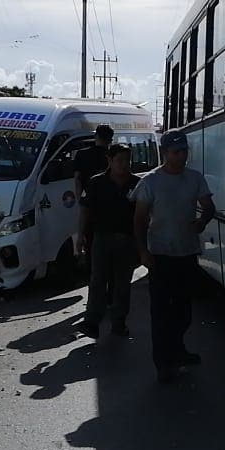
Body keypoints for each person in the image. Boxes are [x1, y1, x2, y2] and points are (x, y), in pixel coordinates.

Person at [131, 130, 216, 382]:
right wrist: (143, 251)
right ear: (165, 153)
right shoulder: (150, 182)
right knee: (161, 313)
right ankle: (163, 364)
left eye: (184, 151)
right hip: (160, 256)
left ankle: (178, 350)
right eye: (176, 152)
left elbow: (209, 206)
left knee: (184, 311)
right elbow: (139, 220)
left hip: (187, 253)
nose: (181, 156)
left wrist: (202, 220)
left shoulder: (195, 178)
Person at [76, 144, 141, 339]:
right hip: (102, 239)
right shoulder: (96, 182)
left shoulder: (137, 184)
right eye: (119, 160)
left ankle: (118, 323)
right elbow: (85, 210)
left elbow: (145, 214)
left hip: (128, 240)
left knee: (122, 284)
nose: (123, 164)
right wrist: (80, 236)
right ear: (109, 161)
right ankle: (92, 323)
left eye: (127, 160)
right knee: (97, 281)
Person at [72, 124, 114, 258]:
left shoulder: (82, 154)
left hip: (89, 201)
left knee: (90, 242)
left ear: (96, 136)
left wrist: (80, 199)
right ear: (111, 139)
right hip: (110, 203)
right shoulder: (114, 156)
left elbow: (77, 179)